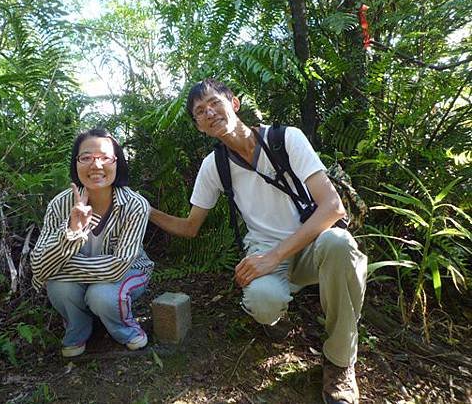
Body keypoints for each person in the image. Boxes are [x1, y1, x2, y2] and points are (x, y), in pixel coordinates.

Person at [149, 79, 367, 404]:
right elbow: (191, 226)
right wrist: (146, 210)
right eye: (200, 111)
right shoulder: (215, 166)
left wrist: (275, 256)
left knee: (339, 243)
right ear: (199, 127)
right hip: (265, 251)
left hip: (311, 245)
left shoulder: (285, 139)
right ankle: (277, 316)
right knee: (263, 303)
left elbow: (332, 207)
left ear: (233, 103)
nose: (209, 112)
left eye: (214, 102)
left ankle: (339, 362)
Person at [31, 128, 154, 357]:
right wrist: (73, 231)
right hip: (88, 275)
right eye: (86, 157)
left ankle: (125, 329)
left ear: (117, 163)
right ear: (75, 164)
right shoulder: (60, 204)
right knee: (59, 288)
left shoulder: (135, 205)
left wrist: (58, 268)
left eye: (105, 157)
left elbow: (119, 265)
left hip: (130, 271)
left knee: (101, 295)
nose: (96, 166)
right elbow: (38, 264)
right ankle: (79, 329)